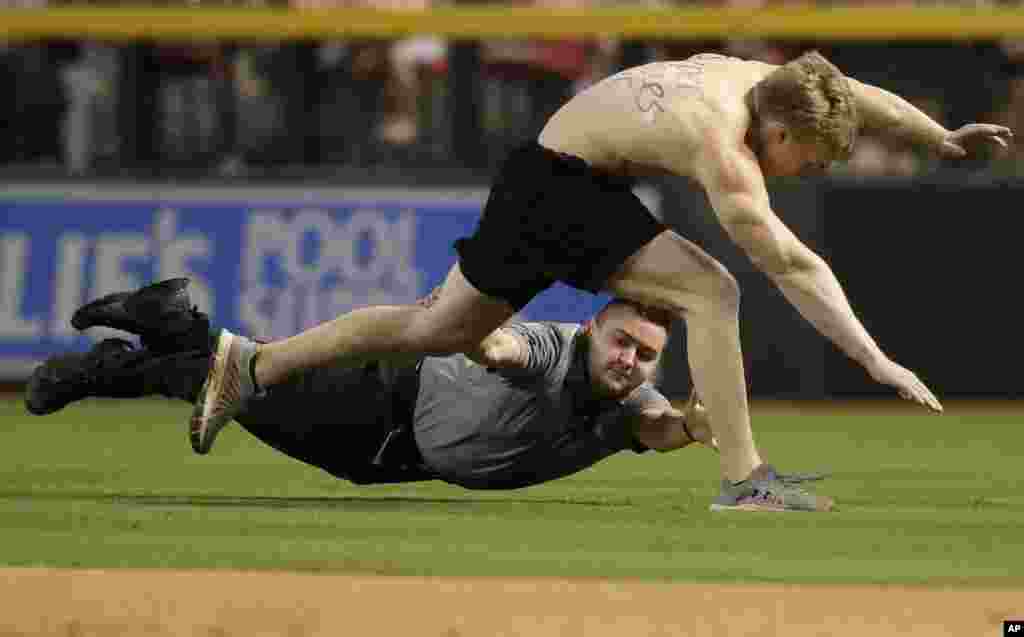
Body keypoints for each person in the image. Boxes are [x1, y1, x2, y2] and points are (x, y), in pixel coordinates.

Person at [192, 51, 1011, 511]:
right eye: (813, 157)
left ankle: (250, 364)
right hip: (559, 184)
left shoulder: (763, 81)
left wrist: (937, 135)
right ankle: (743, 478)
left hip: (559, 177)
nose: (812, 170)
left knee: (434, 329)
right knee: (714, 290)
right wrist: (876, 359)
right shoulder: (722, 145)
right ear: (780, 128)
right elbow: (795, 264)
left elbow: (854, 95)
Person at [25, 279, 841, 509]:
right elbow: (510, 346)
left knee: (228, 382)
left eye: (646, 352)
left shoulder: (628, 401)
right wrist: (486, 334)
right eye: (623, 339)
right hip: (379, 400)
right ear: (595, 327)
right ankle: (106, 364)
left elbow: (653, 429)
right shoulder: (556, 353)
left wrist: (699, 428)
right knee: (226, 388)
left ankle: (172, 316)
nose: (631, 358)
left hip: (390, 453)